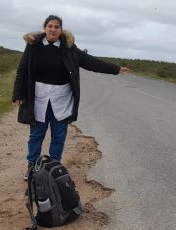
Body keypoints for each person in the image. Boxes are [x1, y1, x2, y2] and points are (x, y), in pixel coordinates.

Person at [12, 15, 130, 180]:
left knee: (59, 136)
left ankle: (54, 167)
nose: (53, 29)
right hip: (39, 98)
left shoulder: (69, 48)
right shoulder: (33, 47)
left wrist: (115, 69)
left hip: (62, 99)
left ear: (61, 30)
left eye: (56, 27)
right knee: (36, 135)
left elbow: (91, 62)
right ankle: (32, 167)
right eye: (50, 26)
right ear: (44, 27)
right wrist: (18, 93)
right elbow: (22, 70)